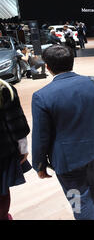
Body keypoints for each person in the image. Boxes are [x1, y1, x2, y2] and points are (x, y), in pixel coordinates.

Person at [31, 45, 94, 220]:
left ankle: (87, 213)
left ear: (47, 67)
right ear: (72, 61)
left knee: (77, 197)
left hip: (68, 158)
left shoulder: (42, 96)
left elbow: (41, 135)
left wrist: (39, 164)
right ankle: (91, 209)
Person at [0, 79, 32, 220]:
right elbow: (16, 123)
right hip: (2, 152)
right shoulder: (4, 88)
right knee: (2, 193)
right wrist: (23, 148)